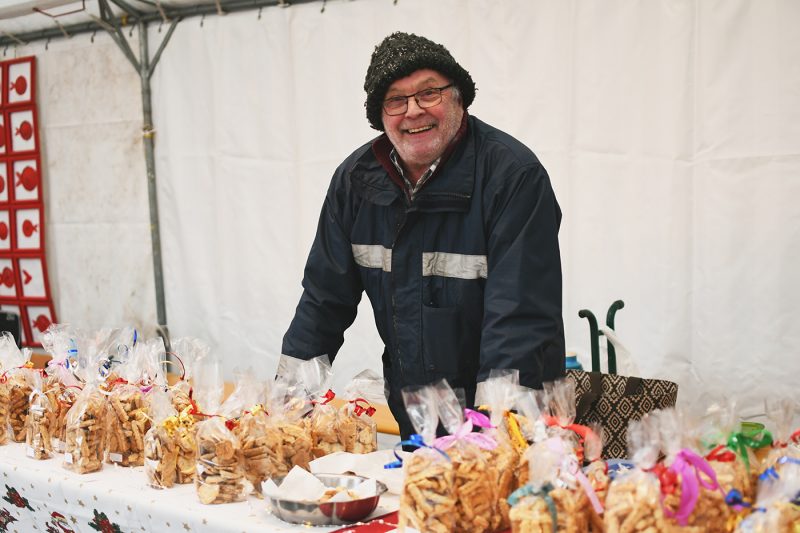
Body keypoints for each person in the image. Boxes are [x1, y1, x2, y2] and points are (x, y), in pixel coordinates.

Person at [282, 32, 564, 439]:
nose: (413, 111)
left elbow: (518, 318)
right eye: (396, 100)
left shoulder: (513, 177)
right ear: (380, 115)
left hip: (507, 425)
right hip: (415, 421)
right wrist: (289, 402)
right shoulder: (354, 183)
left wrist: (496, 433)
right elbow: (323, 301)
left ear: (458, 99)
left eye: (428, 93)